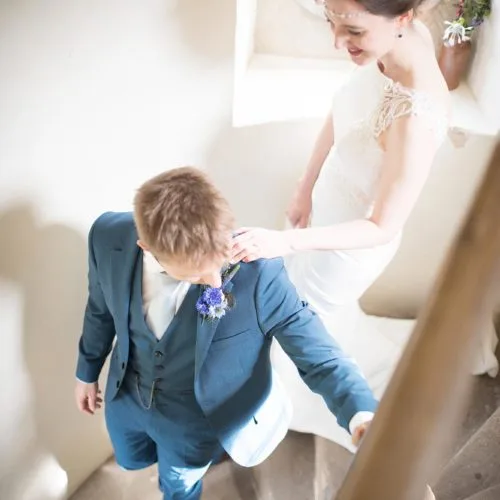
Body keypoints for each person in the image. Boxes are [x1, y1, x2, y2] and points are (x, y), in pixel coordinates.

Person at [231, 0, 499, 451]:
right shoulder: (398, 42)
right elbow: (344, 108)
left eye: (353, 30)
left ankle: (315, 403)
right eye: (332, 23)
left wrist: (286, 242)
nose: (339, 41)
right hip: (318, 221)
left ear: (403, 17)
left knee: (301, 327)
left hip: (342, 253)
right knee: (314, 322)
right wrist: (305, 184)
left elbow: (382, 225)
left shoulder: (416, 118)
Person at [74, 167, 379, 500]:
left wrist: (362, 415)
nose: (216, 282)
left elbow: (320, 356)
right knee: (132, 458)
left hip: (193, 423)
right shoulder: (107, 238)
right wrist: (87, 372)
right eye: (198, 275)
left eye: (216, 263)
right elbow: (100, 308)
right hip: (126, 398)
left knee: (180, 485)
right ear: (146, 246)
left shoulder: (260, 274)